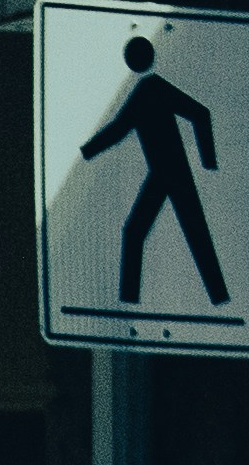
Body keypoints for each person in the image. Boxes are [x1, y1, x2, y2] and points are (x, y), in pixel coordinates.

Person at [84, 33, 224, 307]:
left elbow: (200, 113)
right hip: (162, 173)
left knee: (191, 234)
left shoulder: (154, 89)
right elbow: (119, 129)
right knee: (137, 231)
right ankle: (129, 301)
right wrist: (86, 151)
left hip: (174, 170)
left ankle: (216, 298)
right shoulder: (145, 91)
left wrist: (208, 162)